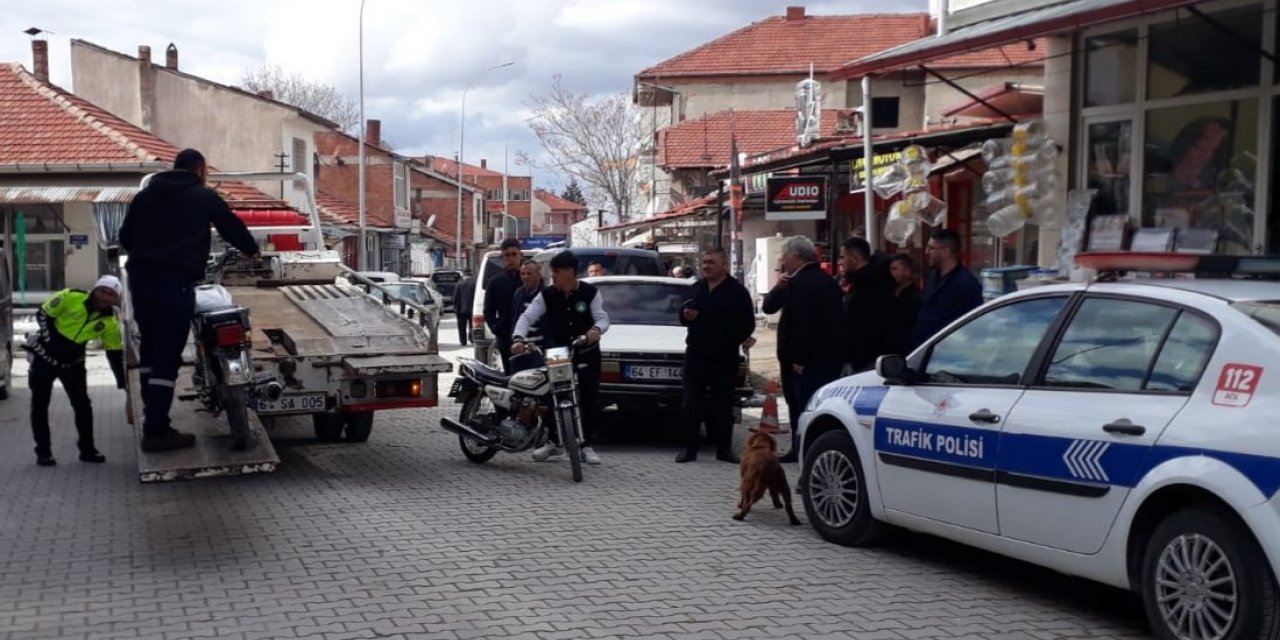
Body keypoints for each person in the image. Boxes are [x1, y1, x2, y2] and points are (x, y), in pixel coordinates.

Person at [119, 148, 260, 453]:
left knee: (151, 352)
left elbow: (125, 237)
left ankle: (153, 421)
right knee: (167, 359)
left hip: (141, 282)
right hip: (175, 283)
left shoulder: (144, 197)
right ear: (201, 169)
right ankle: (156, 432)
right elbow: (230, 226)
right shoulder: (202, 196)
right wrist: (252, 250)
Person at [511, 250, 609, 466]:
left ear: (571, 272)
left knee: (589, 398)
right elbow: (527, 317)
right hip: (558, 353)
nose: (552, 276)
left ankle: (586, 445)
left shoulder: (590, 292)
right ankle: (554, 443)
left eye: (556, 272)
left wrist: (595, 331)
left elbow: (603, 319)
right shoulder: (548, 294)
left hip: (586, 352)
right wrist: (518, 338)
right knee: (551, 396)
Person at [24, 277, 127, 466]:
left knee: (83, 406)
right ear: (95, 290)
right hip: (44, 358)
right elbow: (43, 314)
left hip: (73, 364)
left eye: (111, 295)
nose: (105, 297)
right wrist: (51, 342)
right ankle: (43, 452)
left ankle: (87, 450)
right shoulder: (70, 296)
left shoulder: (110, 321)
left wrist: (122, 381)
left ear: (115, 299)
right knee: (39, 405)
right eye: (102, 291)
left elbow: (114, 353)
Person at [761, 236, 845, 463]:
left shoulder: (804, 283)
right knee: (801, 405)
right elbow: (768, 307)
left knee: (803, 405)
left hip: (804, 360)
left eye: (785, 256)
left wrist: (799, 359)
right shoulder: (826, 280)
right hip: (825, 357)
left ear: (796, 257)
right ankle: (799, 448)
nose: (782, 261)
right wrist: (779, 286)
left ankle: (805, 452)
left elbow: (804, 324)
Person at [675, 248, 755, 464]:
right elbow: (682, 315)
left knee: (722, 404)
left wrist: (730, 337)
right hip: (696, 354)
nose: (706, 266)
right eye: (704, 262)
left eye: (711, 262)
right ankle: (688, 449)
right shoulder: (696, 288)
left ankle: (724, 449)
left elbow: (748, 323)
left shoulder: (737, 292)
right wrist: (686, 316)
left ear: (723, 265)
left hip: (724, 356)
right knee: (690, 403)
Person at [910, 229, 983, 349]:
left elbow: (974, 323)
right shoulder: (932, 276)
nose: (926, 252)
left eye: (931, 248)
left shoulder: (967, 283)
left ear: (945, 252)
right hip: (924, 347)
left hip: (948, 352)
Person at [838, 238, 895, 373]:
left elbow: (865, 324)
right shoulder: (859, 281)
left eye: (843, 257)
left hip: (866, 359)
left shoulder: (871, 284)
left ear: (854, 258)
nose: (840, 262)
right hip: (857, 356)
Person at [483, 239, 523, 373]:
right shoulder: (495, 282)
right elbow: (488, 311)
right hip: (506, 338)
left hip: (530, 337)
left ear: (520, 255)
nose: (511, 259)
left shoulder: (529, 279)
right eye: (507, 255)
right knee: (511, 374)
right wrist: (497, 329)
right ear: (502, 257)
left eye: (514, 254)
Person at [509, 260, 546, 372]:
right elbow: (516, 319)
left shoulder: (546, 295)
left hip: (541, 351)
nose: (525, 277)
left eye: (529, 273)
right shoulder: (518, 293)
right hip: (521, 349)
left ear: (538, 275)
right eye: (522, 274)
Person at [884, 253, 922, 357]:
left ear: (907, 271)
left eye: (895, 269)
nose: (891, 273)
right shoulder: (887, 293)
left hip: (906, 350)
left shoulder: (916, 297)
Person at [453, 271, 475, 347]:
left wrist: (455, 308)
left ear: (464, 275)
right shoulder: (475, 283)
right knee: (473, 326)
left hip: (461, 309)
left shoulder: (459, 284)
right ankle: (472, 339)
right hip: (473, 309)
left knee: (461, 327)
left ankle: (463, 341)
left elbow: (455, 297)